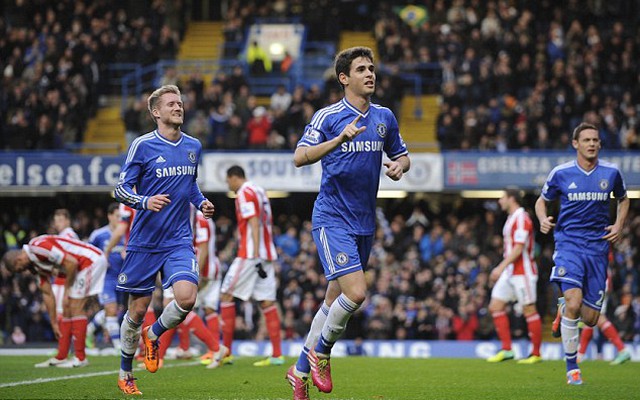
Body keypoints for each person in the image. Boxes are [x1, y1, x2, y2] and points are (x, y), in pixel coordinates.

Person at [286, 46, 410, 400]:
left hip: (364, 223)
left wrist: (400, 166)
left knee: (332, 302)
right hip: (332, 218)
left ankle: (298, 372)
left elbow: (402, 155)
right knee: (356, 293)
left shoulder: (384, 116)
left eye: (371, 68)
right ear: (344, 78)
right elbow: (299, 157)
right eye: (361, 69)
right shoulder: (328, 117)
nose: (370, 74)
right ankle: (321, 352)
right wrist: (338, 140)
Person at [114, 84, 215, 395]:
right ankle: (126, 373)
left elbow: (190, 185)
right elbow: (120, 189)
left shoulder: (193, 146)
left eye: (180, 103)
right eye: (171, 103)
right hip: (144, 242)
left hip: (178, 239)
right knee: (136, 311)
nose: (178, 107)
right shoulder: (142, 146)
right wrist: (145, 201)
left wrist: (201, 203)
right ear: (156, 112)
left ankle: (154, 334)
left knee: (186, 298)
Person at [535, 122, 629, 385]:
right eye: (586, 140)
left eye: (595, 140)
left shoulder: (611, 173)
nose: (592, 144)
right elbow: (541, 200)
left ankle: (564, 307)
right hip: (569, 245)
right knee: (575, 304)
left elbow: (624, 199)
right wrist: (542, 219)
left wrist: (619, 225)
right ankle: (572, 368)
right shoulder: (561, 173)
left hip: (598, 249)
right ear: (575, 144)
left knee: (590, 319)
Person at [2, 235, 107, 368]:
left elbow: (71, 262)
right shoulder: (35, 264)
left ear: (19, 260)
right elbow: (47, 294)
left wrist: (67, 290)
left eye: (19, 269)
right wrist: (53, 322)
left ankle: (80, 358)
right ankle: (61, 356)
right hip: (78, 267)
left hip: (91, 260)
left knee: (75, 305)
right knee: (66, 308)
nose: (22, 272)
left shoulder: (38, 247)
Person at [220, 165, 283, 367]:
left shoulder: (244, 193)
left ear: (233, 177)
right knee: (266, 302)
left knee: (226, 295)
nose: (228, 185)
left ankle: (226, 352)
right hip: (267, 253)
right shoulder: (259, 189)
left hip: (250, 254)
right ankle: (276, 355)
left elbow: (254, 222)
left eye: (228, 181)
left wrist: (254, 253)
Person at [486, 189, 542, 364]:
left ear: (512, 199)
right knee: (495, 306)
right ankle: (507, 349)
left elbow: (519, 248)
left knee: (529, 310)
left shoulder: (521, 218)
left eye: (502, 197)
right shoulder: (512, 218)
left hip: (523, 272)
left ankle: (536, 354)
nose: (500, 201)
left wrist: (499, 267)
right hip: (510, 272)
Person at [86, 203, 125, 352]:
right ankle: (118, 347)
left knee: (114, 311)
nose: (120, 219)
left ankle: (89, 330)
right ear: (109, 216)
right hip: (106, 278)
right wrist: (101, 262)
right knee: (111, 308)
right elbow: (88, 254)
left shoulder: (127, 234)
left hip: (123, 278)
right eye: (117, 216)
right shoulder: (98, 235)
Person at [51, 209, 80, 327]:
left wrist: (56, 268)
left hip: (63, 281)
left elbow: (70, 260)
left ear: (68, 221)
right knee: (68, 313)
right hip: (68, 280)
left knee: (61, 314)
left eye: (61, 220)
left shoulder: (67, 236)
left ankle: (64, 344)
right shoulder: (68, 235)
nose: (58, 223)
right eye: (56, 221)